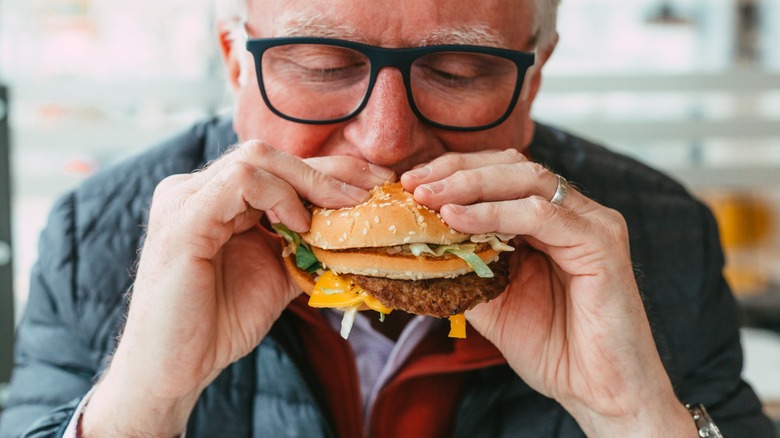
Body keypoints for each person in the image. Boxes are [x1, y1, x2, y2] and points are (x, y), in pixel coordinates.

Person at [0, 0, 775, 436]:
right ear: (237, 63)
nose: (387, 139)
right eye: (322, 66)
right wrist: (145, 405)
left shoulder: (653, 234)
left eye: (457, 71)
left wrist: (636, 419)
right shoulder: (96, 232)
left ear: (533, 82)